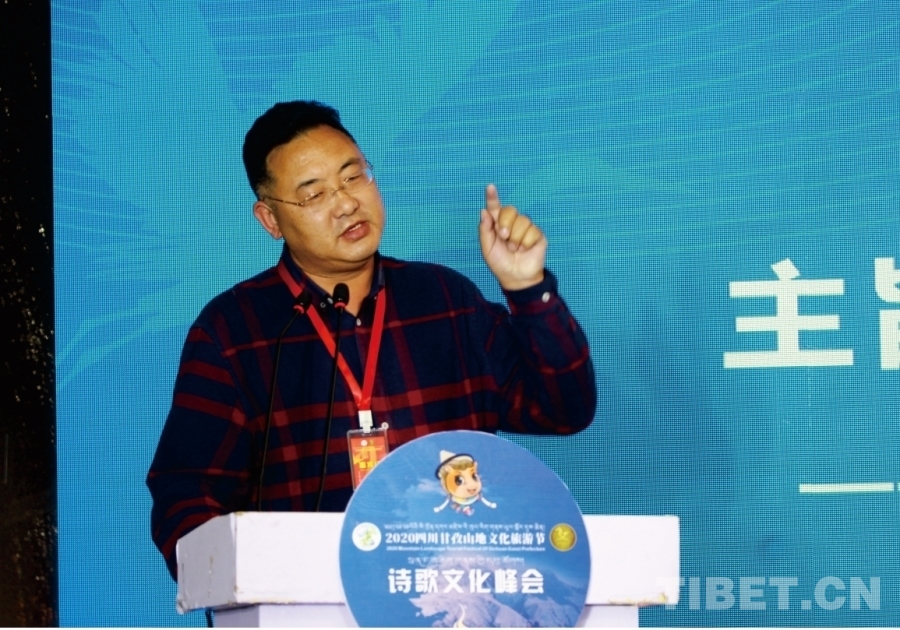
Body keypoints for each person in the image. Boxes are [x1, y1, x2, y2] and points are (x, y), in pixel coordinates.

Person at [147, 100, 596, 579]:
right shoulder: (233, 332)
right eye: (314, 194)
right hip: (303, 603)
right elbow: (187, 497)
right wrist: (250, 583)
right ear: (270, 219)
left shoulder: (445, 300)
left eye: (353, 176)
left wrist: (527, 289)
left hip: (448, 593)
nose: (346, 203)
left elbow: (563, 409)